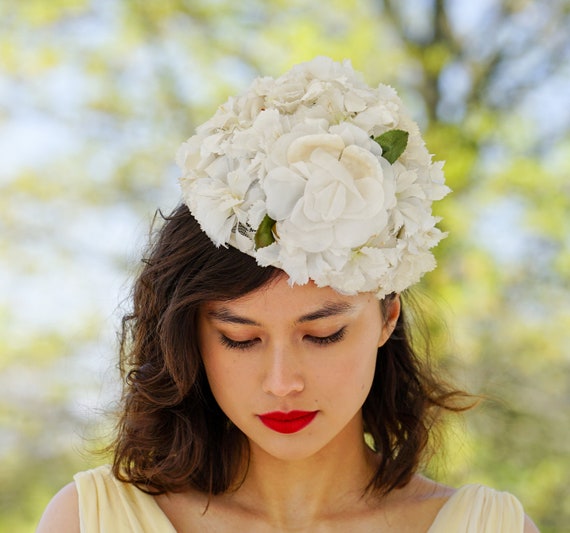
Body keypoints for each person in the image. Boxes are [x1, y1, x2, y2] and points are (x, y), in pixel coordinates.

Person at [37, 57, 539, 532]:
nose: (282, 383)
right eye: (239, 338)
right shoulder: (89, 520)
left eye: (322, 335)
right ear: (192, 336)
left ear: (388, 316)